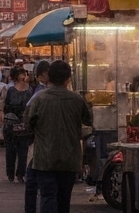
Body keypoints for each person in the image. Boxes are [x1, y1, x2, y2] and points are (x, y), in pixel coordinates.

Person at [24, 60, 92, 213]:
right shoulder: (77, 100)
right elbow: (88, 122)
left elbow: (28, 124)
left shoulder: (39, 99)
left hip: (45, 158)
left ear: (49, 77)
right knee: (64, 199)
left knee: (47, 196)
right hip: (69, 158)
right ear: (68, 79)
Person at [0, 66, 33, 183]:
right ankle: (10, 174)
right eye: (22, 73)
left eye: (24, 73)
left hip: (24, 124)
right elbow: (1, 104)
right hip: (10, 123)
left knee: (23, 150)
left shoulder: (30, 90)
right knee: (10, 150)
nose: (24, 76)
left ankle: (20, 174)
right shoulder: (8, 89)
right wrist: (1, 114)